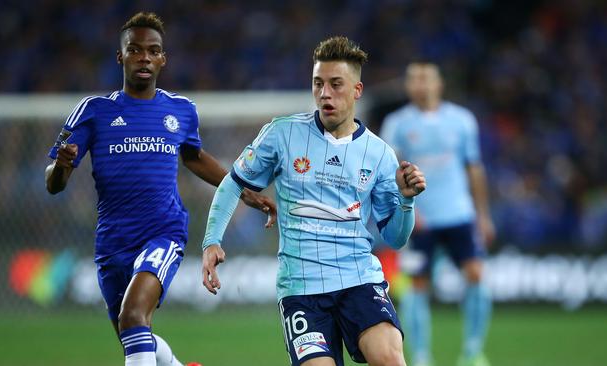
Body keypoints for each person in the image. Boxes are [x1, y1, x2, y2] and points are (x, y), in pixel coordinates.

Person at [44, 12, 275, 366]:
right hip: (112, 241)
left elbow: (194, 157)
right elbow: (54, 185)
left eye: (153, 51)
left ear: (163, 59)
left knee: (134, 315)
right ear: (120, 56)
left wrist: (243, 191)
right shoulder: (93, 111)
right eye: (135, 50)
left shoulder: (180, 111)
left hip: (162, 232)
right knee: (133, 333)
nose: (144, 57)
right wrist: (61, 165)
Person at [200, 36, 426, 366]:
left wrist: (406, 201)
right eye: (318, 83)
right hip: (301, 289)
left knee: (391, 359)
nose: (324, 93)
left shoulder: (380, 154)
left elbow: (395, 238)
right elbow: (233, 183)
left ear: (356, 91)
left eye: (336, 84)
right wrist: (211, 241)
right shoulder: (282, 134)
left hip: (359, 280)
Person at [380, 62, 495, 366]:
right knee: (417, 285)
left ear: (439, 83)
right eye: (414, 79)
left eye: (425, 78)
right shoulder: (397, 124)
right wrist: (404, 212)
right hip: (421, 221)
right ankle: (420, 358)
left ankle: (473, 352)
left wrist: (482, 215)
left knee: (476, 275)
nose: (420, 85)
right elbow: (389, 173)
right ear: (407, 86)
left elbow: (474, 168)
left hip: (459, 214)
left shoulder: (462, 120)